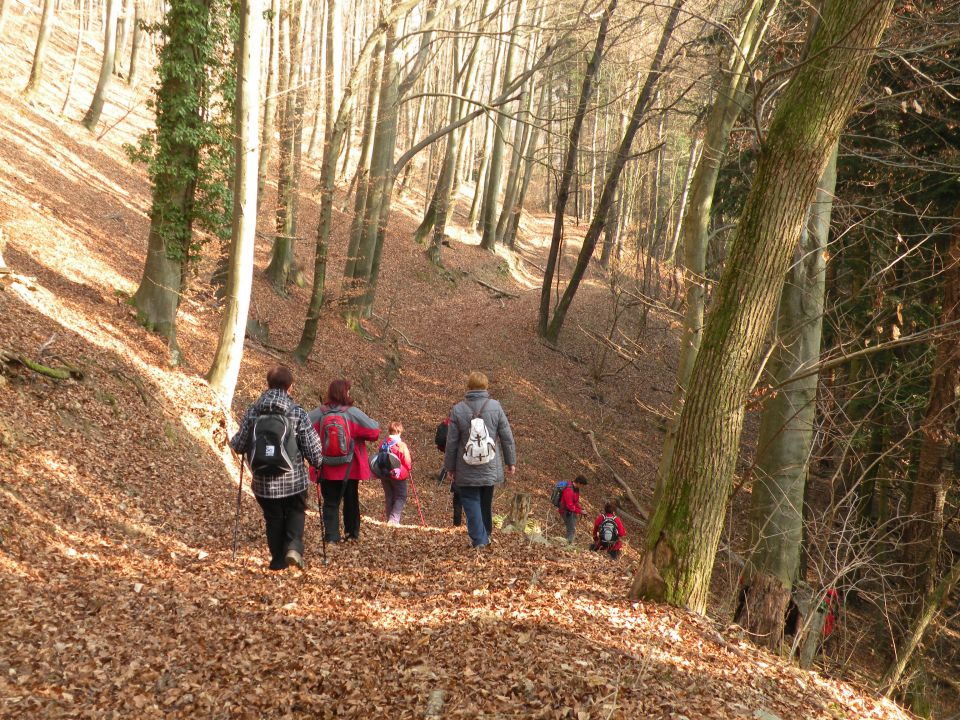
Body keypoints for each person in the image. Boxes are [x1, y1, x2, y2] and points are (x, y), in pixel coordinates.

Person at [230, 365, 323, 571]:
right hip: (293, 480)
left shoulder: (253, 412)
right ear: (290, 387)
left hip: (263, 482)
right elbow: (313, 449)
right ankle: (293, 547)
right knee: (296, 511)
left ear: (268, 385)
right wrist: (318, 463)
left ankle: (277, 562)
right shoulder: (296, 413)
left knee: (273, 518)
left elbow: (237, 445)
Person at [444, 371, 516, 548]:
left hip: (466, 466)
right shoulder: (495, 406)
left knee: (470, 500)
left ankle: (480, 539)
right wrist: (510, 461)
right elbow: (507, 436)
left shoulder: (458, 409)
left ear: (468, 387)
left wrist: (450, 467)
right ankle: (485, 534)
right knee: (485, 500)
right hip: (489, 464)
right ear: (486, 387)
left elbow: (451, 442)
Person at [309, 379, 380, 543]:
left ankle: (332, 537)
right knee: (351, 500)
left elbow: (302, 429)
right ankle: (351, 534)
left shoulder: (319, 413)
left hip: (326, 466)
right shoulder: (352, 413)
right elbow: (374, 432)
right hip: (350, 467)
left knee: (330, 502)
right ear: (344, 393)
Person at [378, 421, 413, 525]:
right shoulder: (400, 445)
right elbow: (407, 462)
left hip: (384, 473)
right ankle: (393, 520)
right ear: (399, 432)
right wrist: (408, 469)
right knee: (401, 496)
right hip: (398, 475)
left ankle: (390, 518)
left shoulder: (383, 443)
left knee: (389, 495)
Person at [435, 416, 461, 527]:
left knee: (458, 498)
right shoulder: (462, 423)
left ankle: (456, 523)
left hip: (447, 446)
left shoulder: (446, 422)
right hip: (458, 452)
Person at [559, 475, 588, 544]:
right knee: (571, 529)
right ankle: (567, 545)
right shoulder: (569, 490)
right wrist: (580, 511)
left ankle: (568, 542)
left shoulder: (576, 489)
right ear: (578, 483)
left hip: (571, 511)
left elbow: (575, 502)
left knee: (572, 528)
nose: (582, 487)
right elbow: (570, 506)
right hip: (565, 511)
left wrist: (580, 509)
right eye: (582, 485)